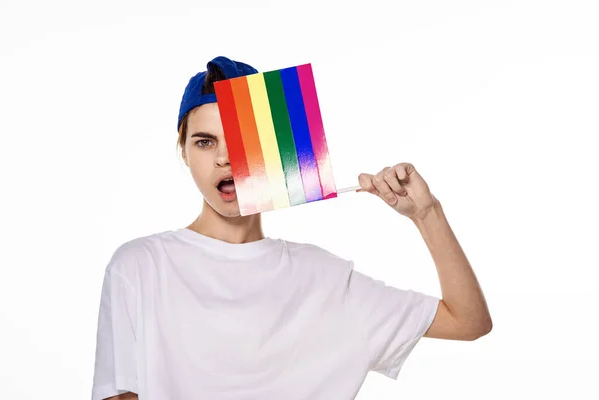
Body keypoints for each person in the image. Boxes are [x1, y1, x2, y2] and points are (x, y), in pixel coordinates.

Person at [91, 56, 492, 400]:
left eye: (239, 138)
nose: (225, 158)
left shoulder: (325, 279)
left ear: (271, 147)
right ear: (184, 151)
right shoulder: (141, 266)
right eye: (204, 142)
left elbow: (468, 322)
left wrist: (427, 214)